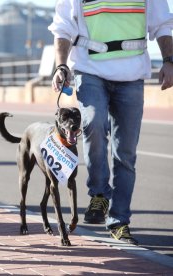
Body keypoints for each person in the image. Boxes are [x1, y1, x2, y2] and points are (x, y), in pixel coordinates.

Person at [48, 0, 173, 245]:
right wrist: (61, 65)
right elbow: (63, 26)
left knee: (125, 154)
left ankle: (119, 222)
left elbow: (162, 23)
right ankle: (99, 193)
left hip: (132, 75)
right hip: (89, 70)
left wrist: (170, 60)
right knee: (93, 124)